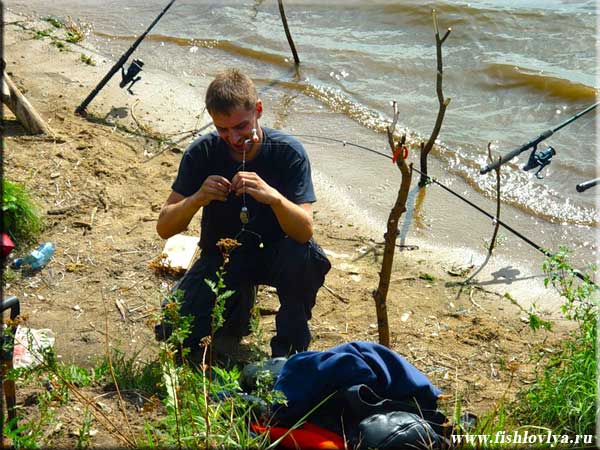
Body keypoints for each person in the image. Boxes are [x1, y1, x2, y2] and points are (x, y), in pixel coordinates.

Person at [156, 68, 331, 358]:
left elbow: (304, 230)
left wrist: (274, 198)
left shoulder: (288, 153)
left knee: (306, 257)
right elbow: (165, 227)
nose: (233, 138)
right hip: (224, 258)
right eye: (222, 130)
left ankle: (289, 350)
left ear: (258, 110)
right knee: (174, 332)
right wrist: (197, 198)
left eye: (241, 127)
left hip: (277, 256)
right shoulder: (202, 153)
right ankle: (240, 306)